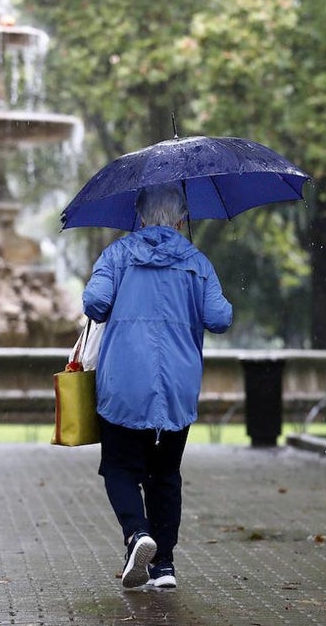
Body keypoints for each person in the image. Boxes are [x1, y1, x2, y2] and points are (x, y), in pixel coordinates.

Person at [81, 182, 233, 590]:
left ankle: (137, 534)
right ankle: (163, 566)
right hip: (178, 386)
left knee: (119, 467)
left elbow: (94, 303)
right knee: (165, 473)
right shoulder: (197, 262)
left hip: (124, 384)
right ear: (183, 218)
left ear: (141, 216)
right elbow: (219, 318)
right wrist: (198, 275)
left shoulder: (116, 255)